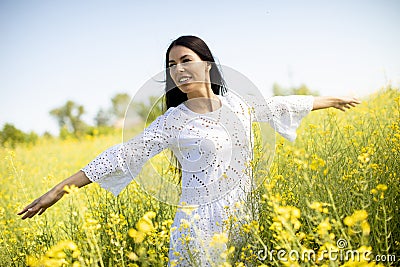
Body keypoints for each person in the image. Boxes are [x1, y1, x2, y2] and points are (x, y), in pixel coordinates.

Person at [18, 35, 360, 266]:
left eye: (185, 60)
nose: (178, 70)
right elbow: (122, 155)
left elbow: (278, 105)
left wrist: (331, 100)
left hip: (245, 216)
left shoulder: (239, 105)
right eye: (172, 65)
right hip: (197, 225)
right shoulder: (173, 121)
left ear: (207, 64)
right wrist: (59, 190)